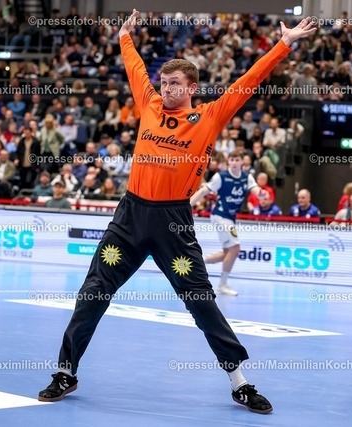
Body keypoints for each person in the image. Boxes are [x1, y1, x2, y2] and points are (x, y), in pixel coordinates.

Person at [38, 9, 317, 414]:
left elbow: (247, 82)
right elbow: (134, 68)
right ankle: (66, 371)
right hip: (129, 218)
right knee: (93, 291)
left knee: (201, 300)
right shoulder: (149, 104)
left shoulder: (208, 117)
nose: (166, 89)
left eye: (175, 84)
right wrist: (125, 37)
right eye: (164, 83)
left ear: (192, 88)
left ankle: (239, 383)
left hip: (173, 223)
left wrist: (284, 44)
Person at [189, 150, 266, 296]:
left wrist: (261, 193)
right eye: (232, 160)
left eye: (237, 160)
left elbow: (256, 190)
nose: (235, 163)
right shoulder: (221, 176)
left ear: (242, 162)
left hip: (230, 218)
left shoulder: (247, 177)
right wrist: (188, 205)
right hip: (220, 216)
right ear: (228, 162)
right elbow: (204, 191)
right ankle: (222, 285)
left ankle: (196, 263)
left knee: (227, 253)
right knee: (235, 249)